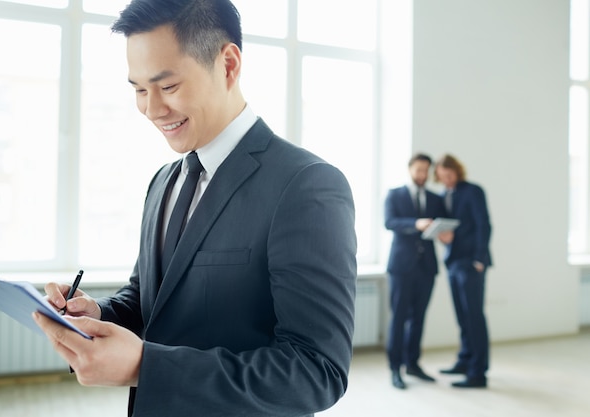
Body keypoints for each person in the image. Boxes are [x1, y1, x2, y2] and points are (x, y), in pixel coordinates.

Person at [32, 1, 357, 416]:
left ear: (228, 64)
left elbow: (317, 372)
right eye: (138, 89)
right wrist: (96, 312)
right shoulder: (164, 180)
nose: (151, 109)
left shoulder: (305, 185)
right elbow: (151, 300)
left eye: (167, 87)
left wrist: (145, 366)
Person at [384, 153, 448, 389]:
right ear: (410, 169)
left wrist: (443, 232)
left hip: (427, 267)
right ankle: (395, 368)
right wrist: (415, 224)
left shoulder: (435, 198)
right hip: (401, 267)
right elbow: (389, 222)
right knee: (399, 319)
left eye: (426, 171)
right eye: (419, 170)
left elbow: (444, 223)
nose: (422, 175)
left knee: (419, 318)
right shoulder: (395, 194)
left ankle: (413, 363)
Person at [434, 153, 491, 388]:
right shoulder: (443, 195)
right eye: (441, 177)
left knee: (474, 316)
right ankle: (465, 360)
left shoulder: (473, 191)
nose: (446, 180)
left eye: (449, 175)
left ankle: (478, 373)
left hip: (471, 263)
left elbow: (483, 224)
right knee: (462, 316)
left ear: (457, 171)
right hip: (453, 262)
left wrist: (479, 258)